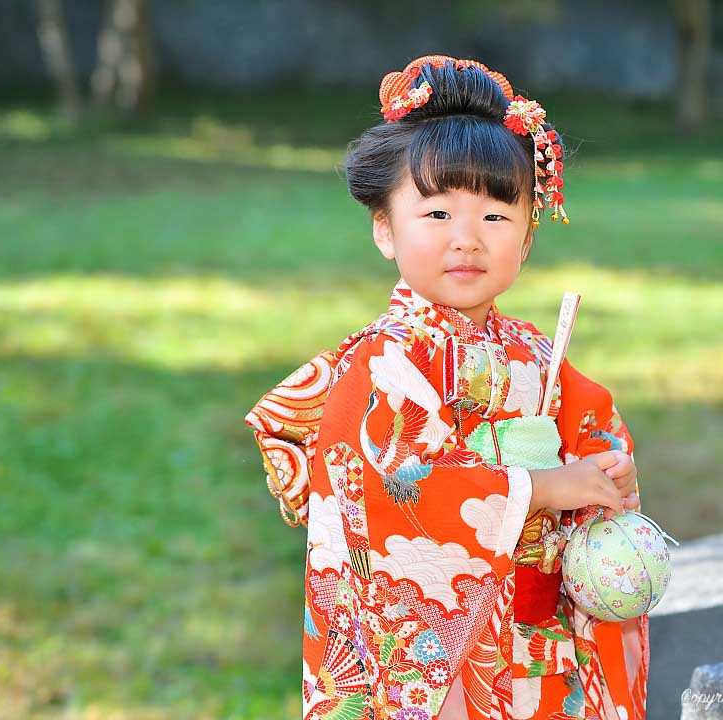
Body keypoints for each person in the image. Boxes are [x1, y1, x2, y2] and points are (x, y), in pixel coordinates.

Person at [244, 55, 648, 720]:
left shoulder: (536, 353)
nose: (467, 240)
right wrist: (543, 489)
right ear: (385, 229)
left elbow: (593, 431)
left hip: (537, 649)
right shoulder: (381, 362)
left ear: (527, 239)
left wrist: (609, 473)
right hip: (441, 666)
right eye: (436, 213)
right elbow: (396, 486)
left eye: (496, 217)